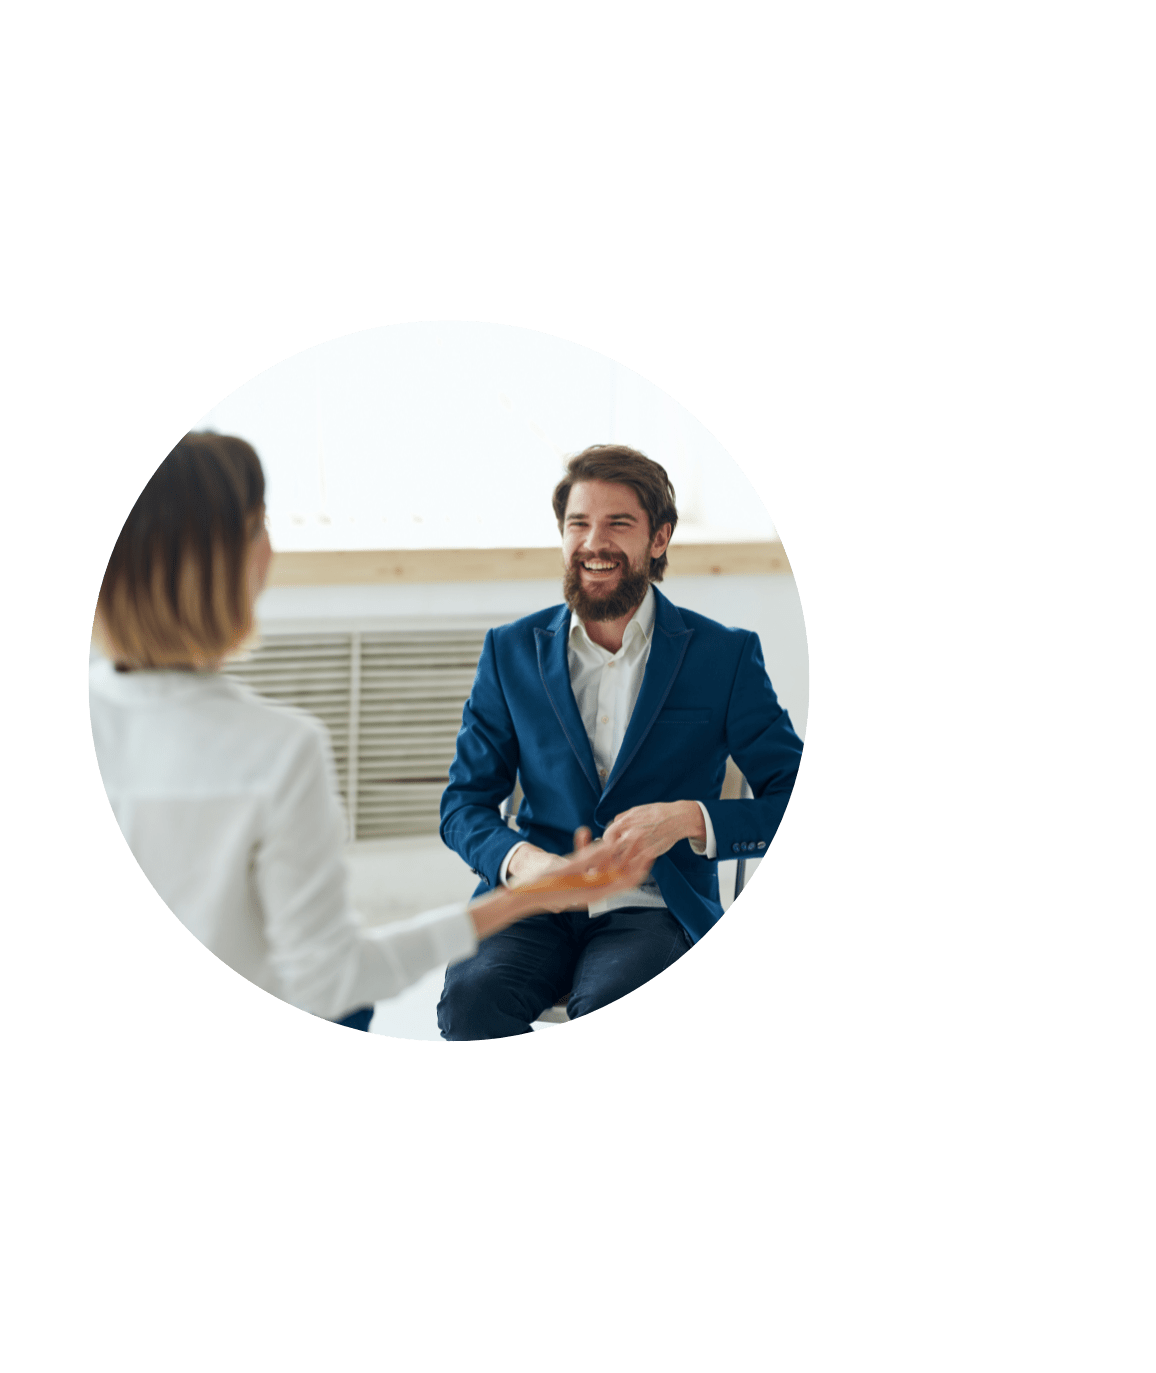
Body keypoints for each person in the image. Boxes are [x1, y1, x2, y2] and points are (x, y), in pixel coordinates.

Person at [88, 433, 651, 1027]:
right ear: (235, 562)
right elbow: (335, 979)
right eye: (262, 526)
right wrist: (527, 893)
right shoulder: (278, 750)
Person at [437, 444, 805, 1041]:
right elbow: (463, 805)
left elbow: (793, 794)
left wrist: (691, 819)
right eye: (578, 524)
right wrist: (521, 861)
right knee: (470, 1004)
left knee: (615, 1005)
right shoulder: (509, 651)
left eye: (618, 524)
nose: (593, 542)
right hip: (535, 900)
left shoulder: (724, 656)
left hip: (655, 905)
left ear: (658, 538)